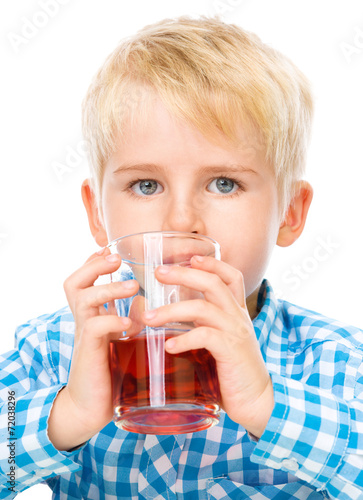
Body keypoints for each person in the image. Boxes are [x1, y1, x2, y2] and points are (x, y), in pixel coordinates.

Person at [1, 16, 362, 499]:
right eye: (146, 185)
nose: (181, 219)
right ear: (97, 214)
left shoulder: (338, 360)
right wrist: (62, 417)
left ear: (290, 214)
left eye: (224, 183)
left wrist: (266, 403)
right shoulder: (50, 350)